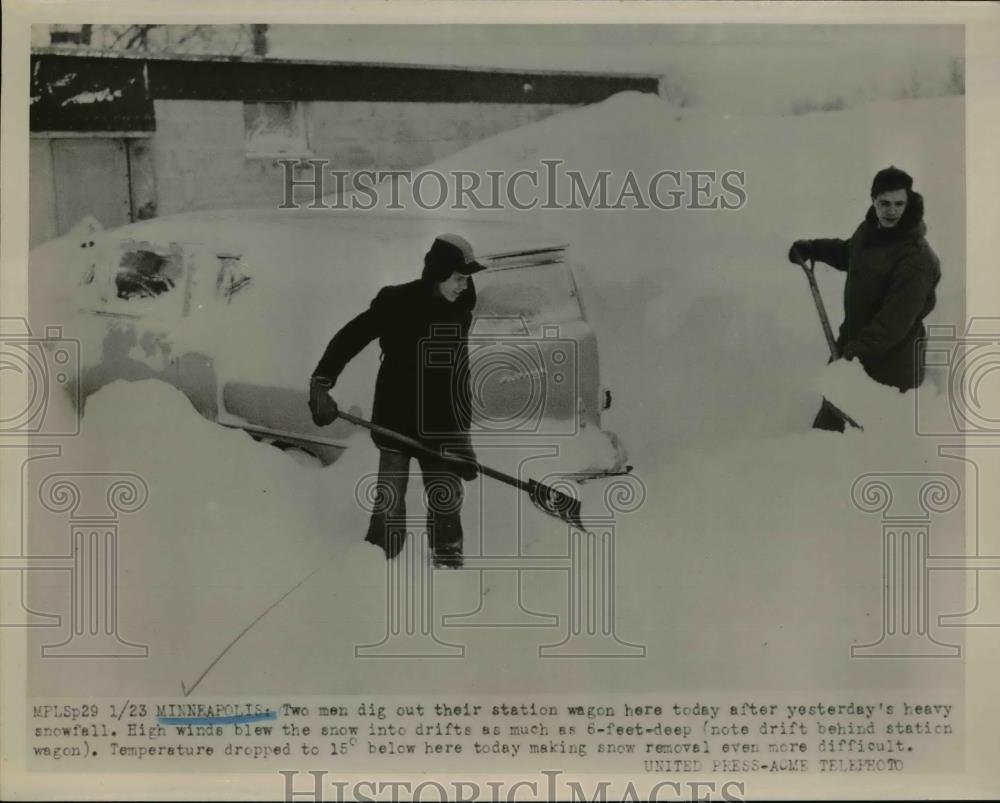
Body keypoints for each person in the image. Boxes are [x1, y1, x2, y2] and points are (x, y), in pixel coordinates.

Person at [308, 233, 483, 567]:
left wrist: (463, 439)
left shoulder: (459, 312)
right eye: (459, 278)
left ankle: (449, 568)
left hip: (439, 426)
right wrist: (322, 380)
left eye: (468, 279)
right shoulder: (396, 302)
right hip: (396, 420)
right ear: (439, 273)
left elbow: (459, 377)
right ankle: (376, 565)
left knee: (447, 499)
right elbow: (351, 336)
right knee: (389, 502)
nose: (464, 285)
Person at [788, 166, 941, 432]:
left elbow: (893, 324)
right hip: (858, 350)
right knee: (826, 437)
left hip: (891, 365)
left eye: (898, 204)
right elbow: (853, 254)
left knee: (868, 445)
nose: (891, 211)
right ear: (873, 200)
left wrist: (851, 355)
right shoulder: (872, 231)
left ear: (909, 202)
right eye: (884, 203)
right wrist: (815, 248)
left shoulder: (916, 258)